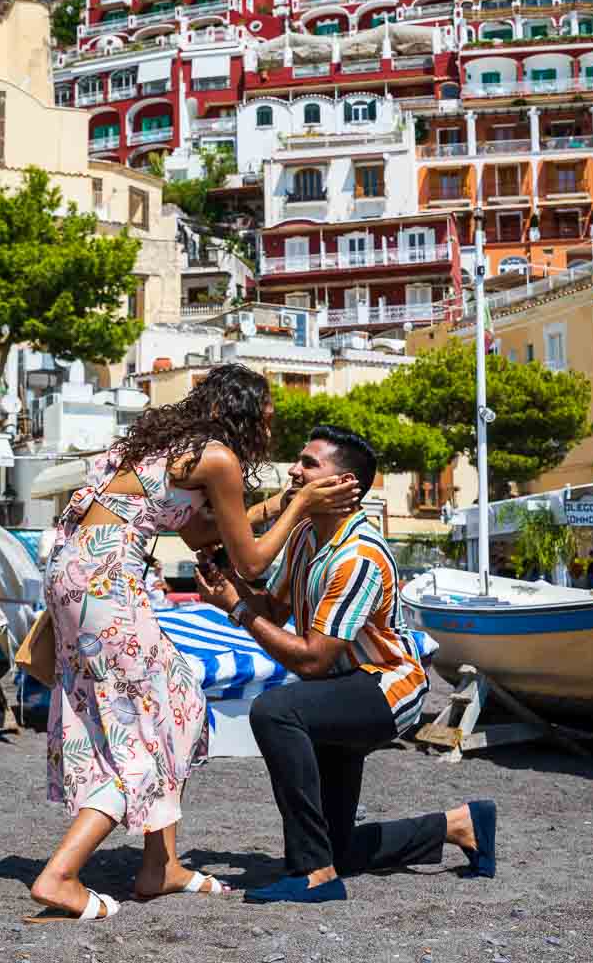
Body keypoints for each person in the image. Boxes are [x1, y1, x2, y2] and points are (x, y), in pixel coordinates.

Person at [27, 368, 360, 923]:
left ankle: (162, 864)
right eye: (269, 410)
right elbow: (251, 562)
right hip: (107, 585)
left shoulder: (167, 446)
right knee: (147, 730)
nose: (274, 420)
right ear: (244, 412)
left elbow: (202, 535)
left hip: (77, 577)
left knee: (178, 701)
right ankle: (60, 876)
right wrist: (301, 505)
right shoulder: (219, 459)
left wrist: (281, 502)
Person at [196, 423, 497, 905]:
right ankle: (461, 825)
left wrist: (237, 609)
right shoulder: (305, 538)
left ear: (341, 485)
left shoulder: (357, 555)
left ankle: (313, 874)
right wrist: (229, 592)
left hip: (386, 688)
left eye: (309, 464)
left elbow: (313, 661)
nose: (294, 469)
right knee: (340, 849)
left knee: (276, 711)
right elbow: (276, 610)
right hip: (343, 689)